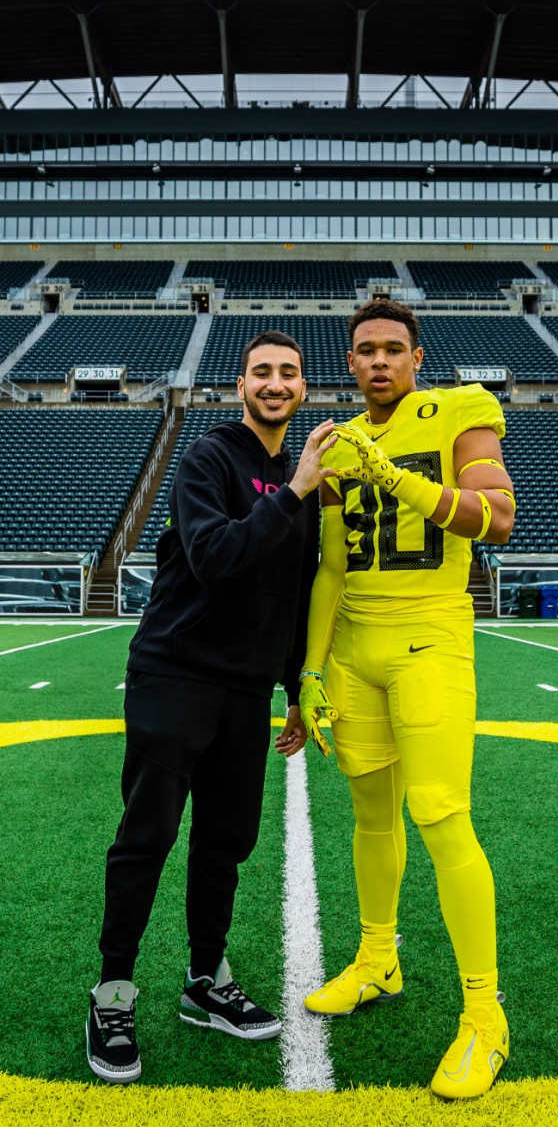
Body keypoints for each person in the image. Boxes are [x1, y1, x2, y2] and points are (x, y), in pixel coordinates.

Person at [87, 330, 337, 1084]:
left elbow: (293, 596)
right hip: (175, 672)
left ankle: (205, 980)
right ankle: (113, 992)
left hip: (243, 689)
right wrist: (294, 490)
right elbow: (218, 559)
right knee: (148, 837)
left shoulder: (302, 476)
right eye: (261, 371)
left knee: (225, 841)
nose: (274, 383)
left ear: (302, 389)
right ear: (240, 385)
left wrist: (296, 688)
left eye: (288, 373)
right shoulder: (208, 459)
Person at [299, 300, 516, 1099]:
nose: (379, 361)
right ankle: (376, 958)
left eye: (394, 349)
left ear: (417, 358)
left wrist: (397, 479)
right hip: (354, 649)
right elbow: (328, 568)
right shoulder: (336, 441)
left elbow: (496, 518)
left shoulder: (459, 411)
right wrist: (312, 671)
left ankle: (483, 1017)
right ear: (349, 363)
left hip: (430, 639)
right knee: (369, 813)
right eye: (365, 351)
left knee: (438, 812)